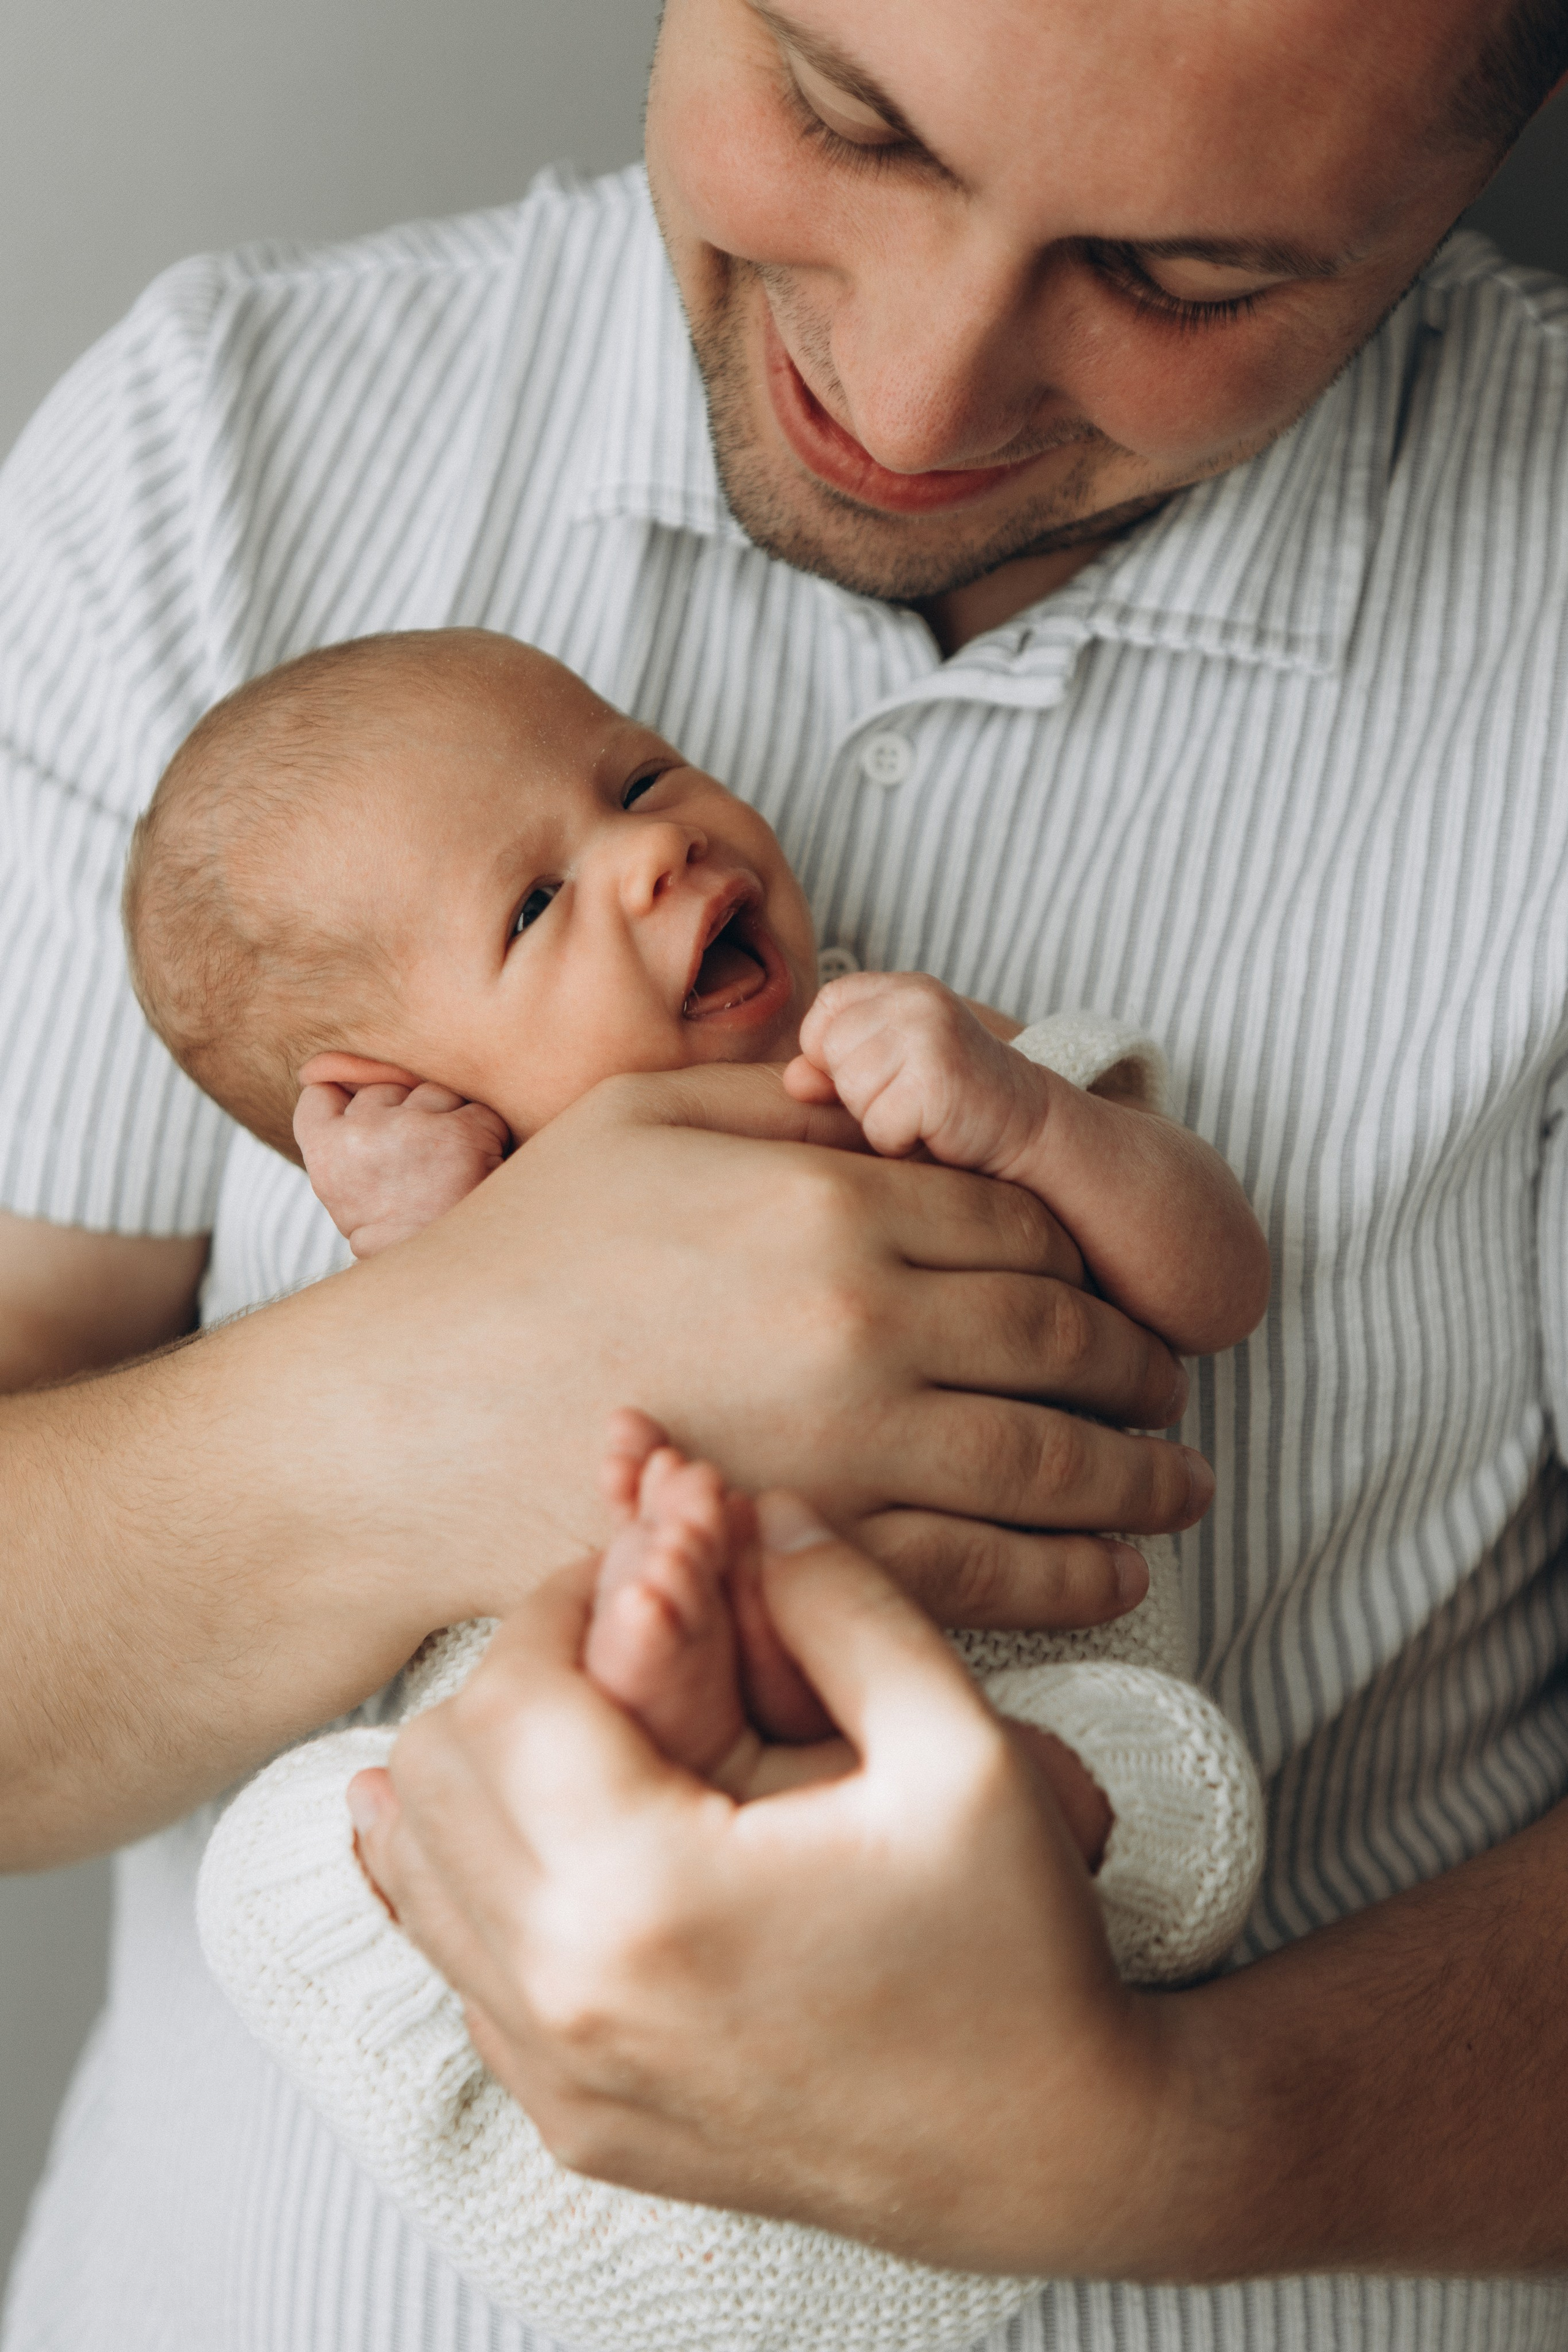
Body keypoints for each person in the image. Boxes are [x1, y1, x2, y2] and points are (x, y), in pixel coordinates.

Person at [3, 0, 1568, 2345]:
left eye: (1189, 279)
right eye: (847, 120)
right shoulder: (219, 463)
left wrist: (1127, 2141)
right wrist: (447, 1381)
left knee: (1100, 1794)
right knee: (303, 1878)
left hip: (1120, 1952)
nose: (915, 402)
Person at [116, 624, 1262, 2346]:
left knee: (1162, 1779)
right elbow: (374, 1476)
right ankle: (663, 1767)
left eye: (639, 776)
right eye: (532, 909)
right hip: (570, 1891)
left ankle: (899, 1808)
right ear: (397, 1094)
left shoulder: (924, 1070)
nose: (653, 848)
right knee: (275, 1869)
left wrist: (1031, 1122)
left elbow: (1217, 1284)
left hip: (978, 1836)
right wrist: (417, 1253)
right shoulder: (443, 1269)